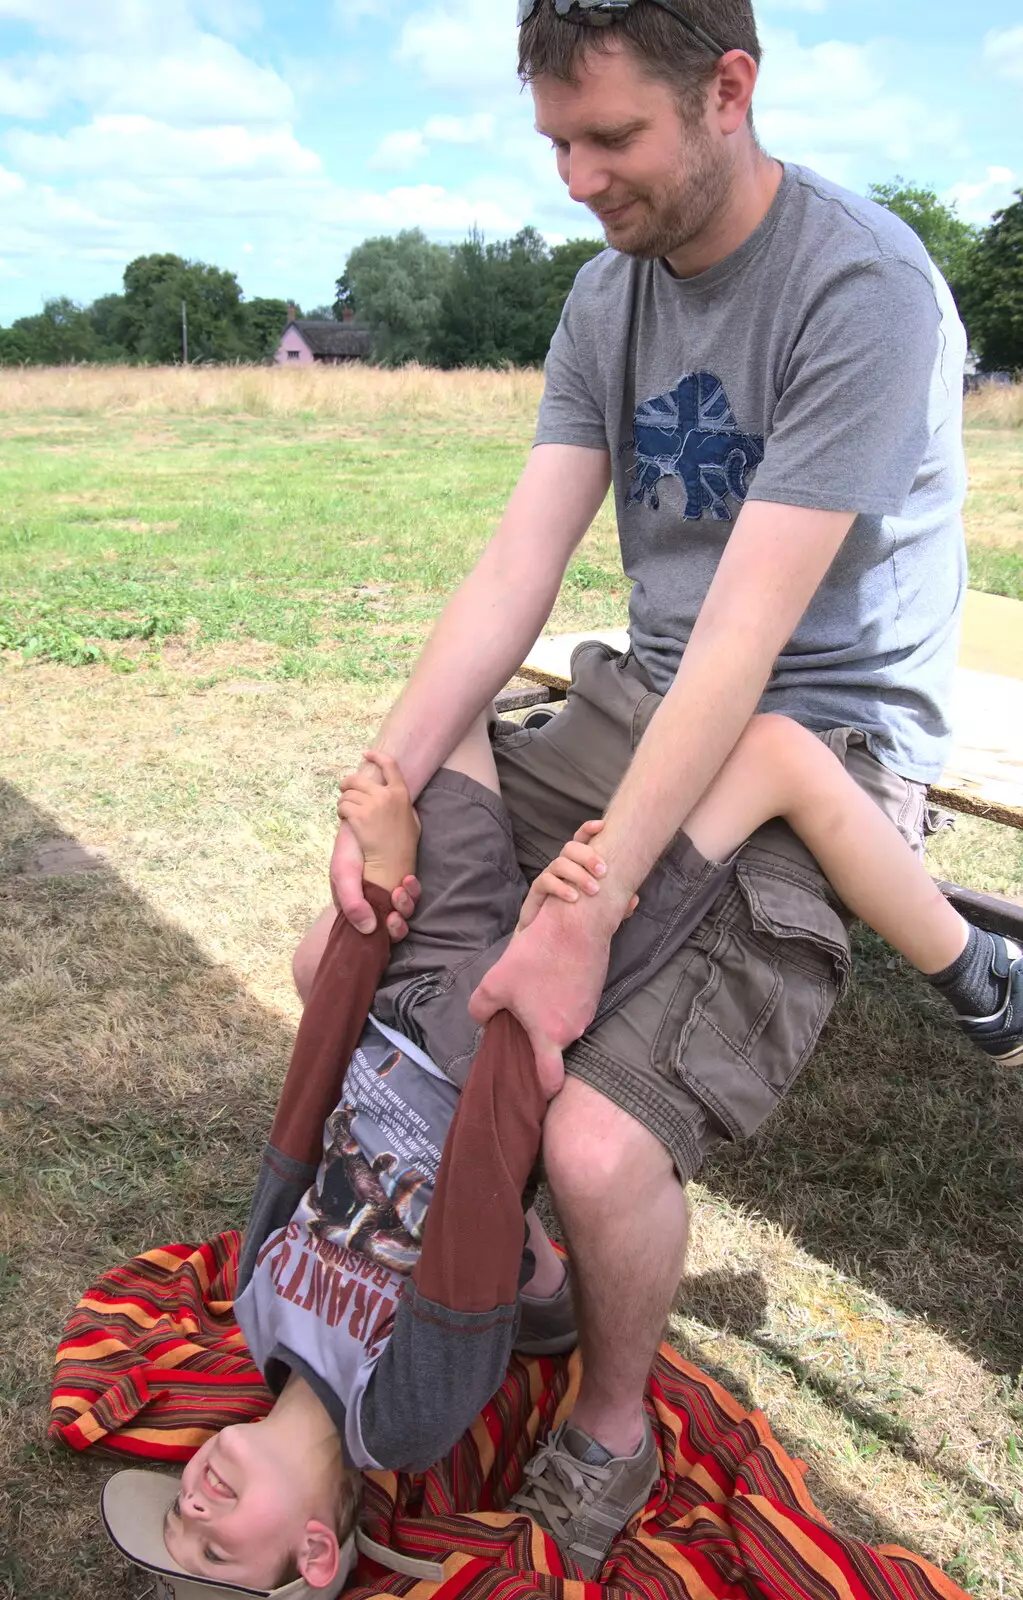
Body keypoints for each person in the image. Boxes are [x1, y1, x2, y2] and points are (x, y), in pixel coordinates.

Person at [293, 0, 977, 1574]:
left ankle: (609, 1418)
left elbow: (748, 643)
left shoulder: (856, 286)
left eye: (609, 137)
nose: (576, 178)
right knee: (345, 945)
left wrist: (586, 909)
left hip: (823, 751)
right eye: (553, 140)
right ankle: (518, 1266)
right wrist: (382, 781)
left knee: (602, 1141)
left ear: (727, 90)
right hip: (643, 701)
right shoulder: (607, 296)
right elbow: (519, 563)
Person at [101, 709, 1019, 1596]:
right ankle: (980, 978)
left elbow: (301, 1119)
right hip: (505, 1037)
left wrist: (377, 897)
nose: (190, 1508)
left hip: (408, 997)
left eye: (173, 1518)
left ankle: (544, 1288)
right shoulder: (404, 1420)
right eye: (213, 1554)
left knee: (441, 719)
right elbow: (477, 1204)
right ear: (312, 1552)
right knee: (770, 757)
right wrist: (535, 974)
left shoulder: (257, 1320)